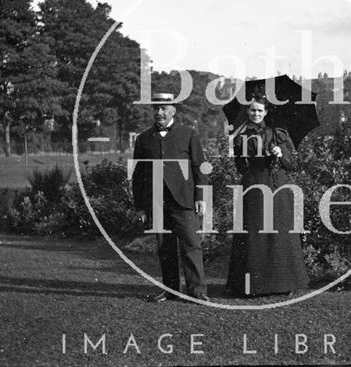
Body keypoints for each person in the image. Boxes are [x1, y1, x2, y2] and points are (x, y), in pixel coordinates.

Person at [226, 94, 310, 296]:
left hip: (277, 185)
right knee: (254, 233)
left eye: (259, 110)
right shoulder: (240, 136)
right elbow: (239, 167)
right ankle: (251, 285)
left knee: (280, 232)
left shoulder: (278, 134)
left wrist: (281, 154)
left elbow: (292, 165)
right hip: (253, 184)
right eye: (252, 110)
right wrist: (246, 157)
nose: (256, 113)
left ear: (266, 112)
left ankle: (283, 284)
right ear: (248, 111)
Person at [132, 92, 209, 302]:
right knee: (164, 248)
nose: (159, 112)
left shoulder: (188, 134)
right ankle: (171, 290)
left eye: (164, 108)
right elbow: (138, 176)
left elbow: (200, 167)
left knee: (191, 245)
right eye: (156, 108)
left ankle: (197, 292)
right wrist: (140, 207)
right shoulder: (144, 139)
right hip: (156, 203)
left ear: (173, 109)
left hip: (183, 200)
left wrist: (200, 195)